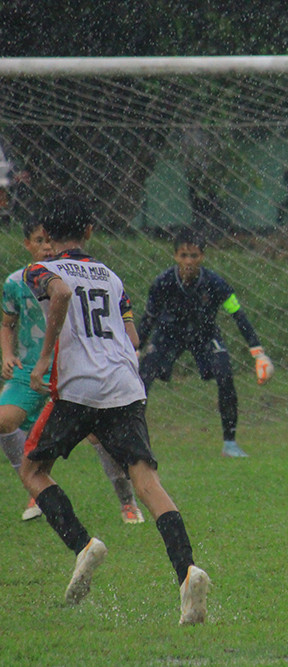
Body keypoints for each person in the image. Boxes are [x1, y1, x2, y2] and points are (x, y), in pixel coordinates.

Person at [19, 195, 209, 623]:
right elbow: (134, 338)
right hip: (125, 385)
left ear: (46, 237)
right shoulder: (110, 276)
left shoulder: (40, 269)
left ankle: (84, 545)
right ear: (89, 232)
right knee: (146, 481)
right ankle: (187, 571)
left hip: (78, 387)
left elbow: (62, 293)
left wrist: (47, 357)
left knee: (32, 470)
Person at [2, 217, 143, 524]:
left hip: (69, 369)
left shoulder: (68, 277)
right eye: (37, 241)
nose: (45, 246)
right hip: (29, 372)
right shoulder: (16, 282)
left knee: (98, 436)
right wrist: (7, 353)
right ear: (26, 245)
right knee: (4, 421)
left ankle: (127, 501)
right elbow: (7, 322)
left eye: (47, 240)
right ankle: (35, 490)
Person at [137, 228, 273, 458]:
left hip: (204, 335)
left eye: (194, 256)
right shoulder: (162, 283)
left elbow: (238, 315)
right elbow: (148, 318)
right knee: (141, 380)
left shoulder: (216, 284)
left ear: (202, 257)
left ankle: (230, 443)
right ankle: (136, 441)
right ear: (175, 257)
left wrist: (258, 352)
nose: (188, 261)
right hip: (168, 334)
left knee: (225, 375)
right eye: (183, 255)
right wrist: (135, 348)